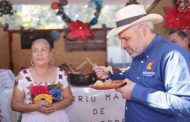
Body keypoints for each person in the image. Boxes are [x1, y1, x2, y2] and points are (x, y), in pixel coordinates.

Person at [93, 4, 190, 122]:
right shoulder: (139, 54)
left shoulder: (172, 55)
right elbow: (131, 77)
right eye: (121, 39)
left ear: (143, 30)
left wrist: (135, 92)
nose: (122, 46)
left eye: (126, 38)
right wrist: (109, 74)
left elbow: (186, 105)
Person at [11, 38, 73, 122]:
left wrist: (53, 107)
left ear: (50, 54)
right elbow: (14, 104)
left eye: (43, 50)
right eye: (35, 50)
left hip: (58, 119)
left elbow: (69, 98)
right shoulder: (23, 75)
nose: (39, 54)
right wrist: (36, 107)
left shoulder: (61, 73)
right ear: (32, 54)